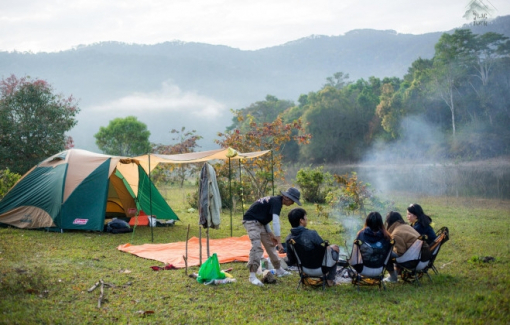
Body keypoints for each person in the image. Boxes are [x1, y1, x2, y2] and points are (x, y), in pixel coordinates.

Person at [243, 187, 301, 286]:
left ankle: (279, 270)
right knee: (257, 247)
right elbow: (275, 222)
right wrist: (279, 241)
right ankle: (252, 276)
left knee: (270, 245)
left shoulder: (275, 201)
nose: (293, 204)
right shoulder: (276, 202)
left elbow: (264, 218)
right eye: (293, 201)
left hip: (260, 223)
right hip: (251, 222)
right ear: (287, 198)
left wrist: (271, 234)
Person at [285, 208, 340, 287]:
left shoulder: (289, 239)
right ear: (301, 220)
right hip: (321, 269)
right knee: (335, 249)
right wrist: (331, 248)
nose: (307, 219)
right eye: (305, 217)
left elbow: (291, 259)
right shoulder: (311, 234)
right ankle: (330, 280)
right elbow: (323, 250)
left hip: (304, 269)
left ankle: (305, 277)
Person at [383, 211, 420, 282]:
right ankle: (396, 273)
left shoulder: (396, 234)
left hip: (412, 260)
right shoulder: (406, 226)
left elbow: (400, 253)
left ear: (389, 222)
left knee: (386, 253)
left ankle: (393, 277)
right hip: (420, 258)